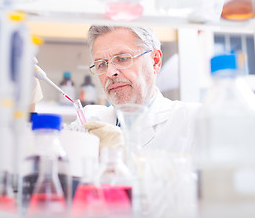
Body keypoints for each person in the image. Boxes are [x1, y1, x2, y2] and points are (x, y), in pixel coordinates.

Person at [82, 25, 201, 153]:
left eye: (122, 59)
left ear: (155, 61)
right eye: (101, 64)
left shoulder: (193, 121)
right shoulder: (86, 122)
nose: (110, 72)